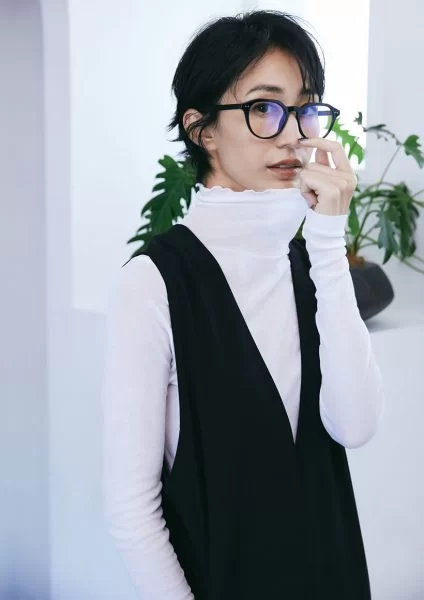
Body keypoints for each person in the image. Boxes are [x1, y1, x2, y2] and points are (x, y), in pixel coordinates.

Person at [102, 9, 385, 600]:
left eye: (304, 108)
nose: (292, 134)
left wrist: (327, 241)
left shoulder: (313, 262)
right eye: (263, 107)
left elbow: (355, 426)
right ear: (201, 129)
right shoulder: (154, 284)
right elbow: (132, 510)